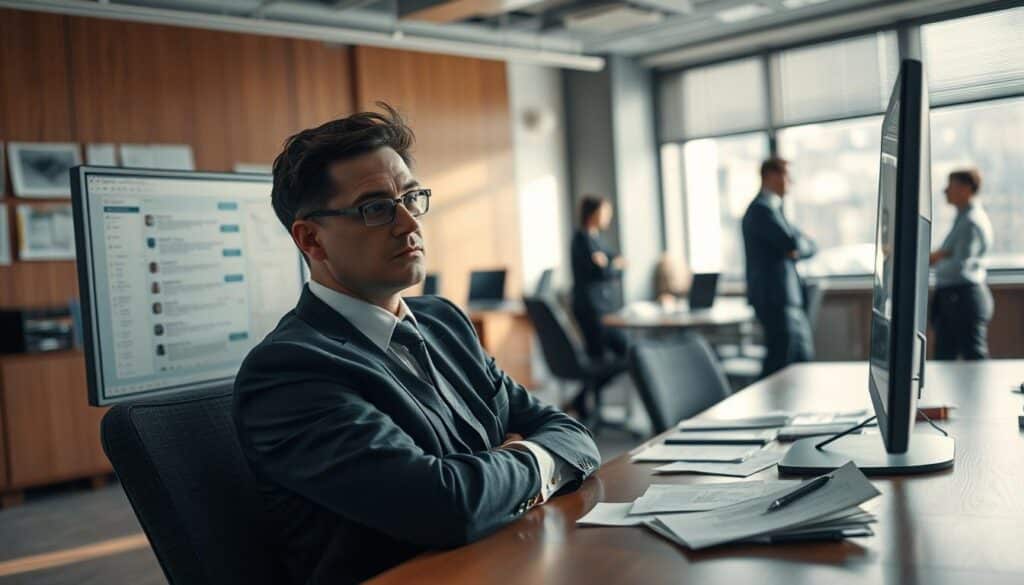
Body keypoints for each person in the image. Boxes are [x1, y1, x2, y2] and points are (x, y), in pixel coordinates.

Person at [233, 104, 600, 585]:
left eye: (411, 198)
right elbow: (446, 507)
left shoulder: (443, 321)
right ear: (311, 241)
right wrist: (531, 458)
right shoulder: (289, 370)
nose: (409, 224)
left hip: (511, 557)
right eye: (375, 208)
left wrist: (504, 467)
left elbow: (571, 434)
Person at [741, 158, 818, 378]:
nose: (790, 183)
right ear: (770, 176)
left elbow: (810, 245)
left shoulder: (775, 210)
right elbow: (792, 243)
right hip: (774, 298)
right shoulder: (760, 211)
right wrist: (796, 246)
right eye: (786, 176)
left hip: (786, 298)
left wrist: (796, 247)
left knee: (799, 358)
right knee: (781, 362)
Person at [929, 168, 994, 360]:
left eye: (950, 186)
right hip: (955, 297)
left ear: (965, 189)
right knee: (945, 358)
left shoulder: (971, 222)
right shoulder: (963, 218)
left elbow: (959, 265)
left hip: (962, 298)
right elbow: (948, 257)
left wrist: (937, 258)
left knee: (973, 359)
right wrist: (941, 255)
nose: (945, 191)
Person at [570, 195, 628, 360]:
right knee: (611, 350)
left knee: (617, 348)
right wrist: (612, 266)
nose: (609, 216)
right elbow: (602, 272)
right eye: (605, 212)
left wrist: (610, 265)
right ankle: (594, 384)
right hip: (591, 308)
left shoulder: (597, 240)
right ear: (593, 213)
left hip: (601, 306)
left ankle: (594, 385)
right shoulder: (582, 240)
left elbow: (616, 264)